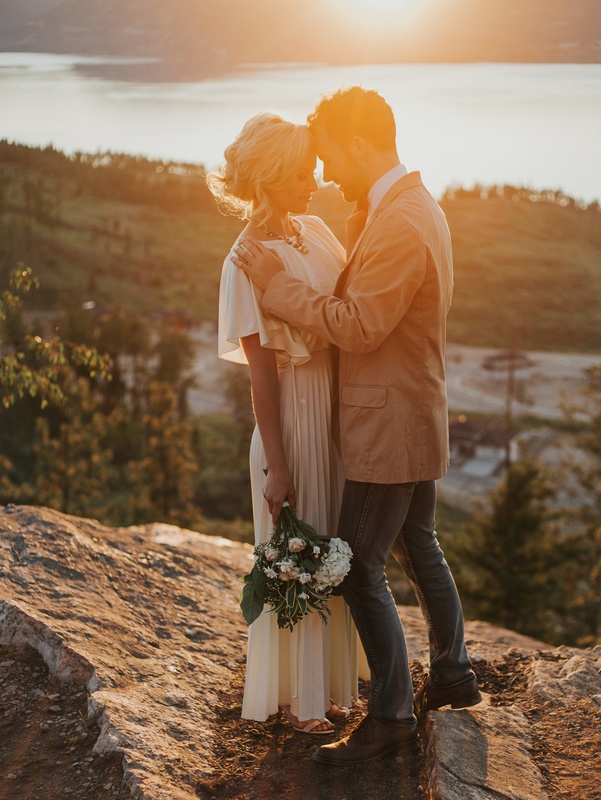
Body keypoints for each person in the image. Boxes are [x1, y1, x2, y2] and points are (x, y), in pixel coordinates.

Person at [232, 87, 480, 765]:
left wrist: (279, 286)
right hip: (411, 411)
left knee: (360, 566)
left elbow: (361, 325)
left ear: (361, 144)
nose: (325, 172)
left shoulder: (400, 222)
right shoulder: (411, 205)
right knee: (419, 544)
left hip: (387, 424)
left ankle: (392, 715)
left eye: (330, 155)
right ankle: (453, 671)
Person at [209, 112, 364, 735]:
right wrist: (278, 465)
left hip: (335, 416)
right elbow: (262, 376)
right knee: (301, 557)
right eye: (301, 173)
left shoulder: (317, 231)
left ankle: (330, 688)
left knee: (336, 554)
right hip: (292, 422)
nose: (314, 181)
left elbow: (345, 315)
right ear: (270, 177)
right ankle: (301, 701)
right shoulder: (242, 260)